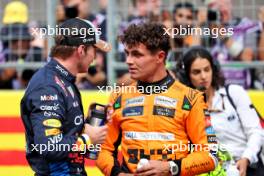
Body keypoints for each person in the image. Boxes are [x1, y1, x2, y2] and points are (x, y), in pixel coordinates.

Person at [96, 22, 218, 176]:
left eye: (137, 54)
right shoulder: (118, 97)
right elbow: (102, 149)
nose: (129, 60)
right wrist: (117, 174)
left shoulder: (191, 98)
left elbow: (211, 156)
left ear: (160, 57)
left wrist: (171, 168)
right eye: (127, 53)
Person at [20, 18, 111, 175]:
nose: (95, 58)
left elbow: (63, 134)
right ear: (81, 50)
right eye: (94, 50)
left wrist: (85, 126)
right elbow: (49, 147)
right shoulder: (48, 86)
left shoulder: (62, 79)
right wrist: (87, 139)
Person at [178, 46, 263, 176]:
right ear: (187, 76)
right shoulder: (185, 106)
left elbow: (256, 132)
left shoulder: (234, 92)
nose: (203, 76)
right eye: (196, 72)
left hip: (248, 166)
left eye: (207, 69)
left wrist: (246, 158)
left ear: (214, 69)